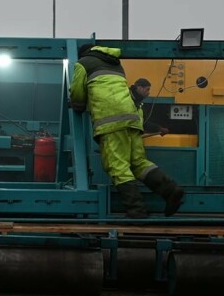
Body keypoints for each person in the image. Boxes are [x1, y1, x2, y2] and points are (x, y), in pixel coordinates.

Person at [69, 45, 185, 219]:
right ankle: (171, 190)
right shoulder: (116, 64)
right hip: (132, 118)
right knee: (138, 162)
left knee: (117, 166)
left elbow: (77, 93)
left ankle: (136, 210)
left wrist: (78, 106)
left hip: (110, 120)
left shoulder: (83, 63)